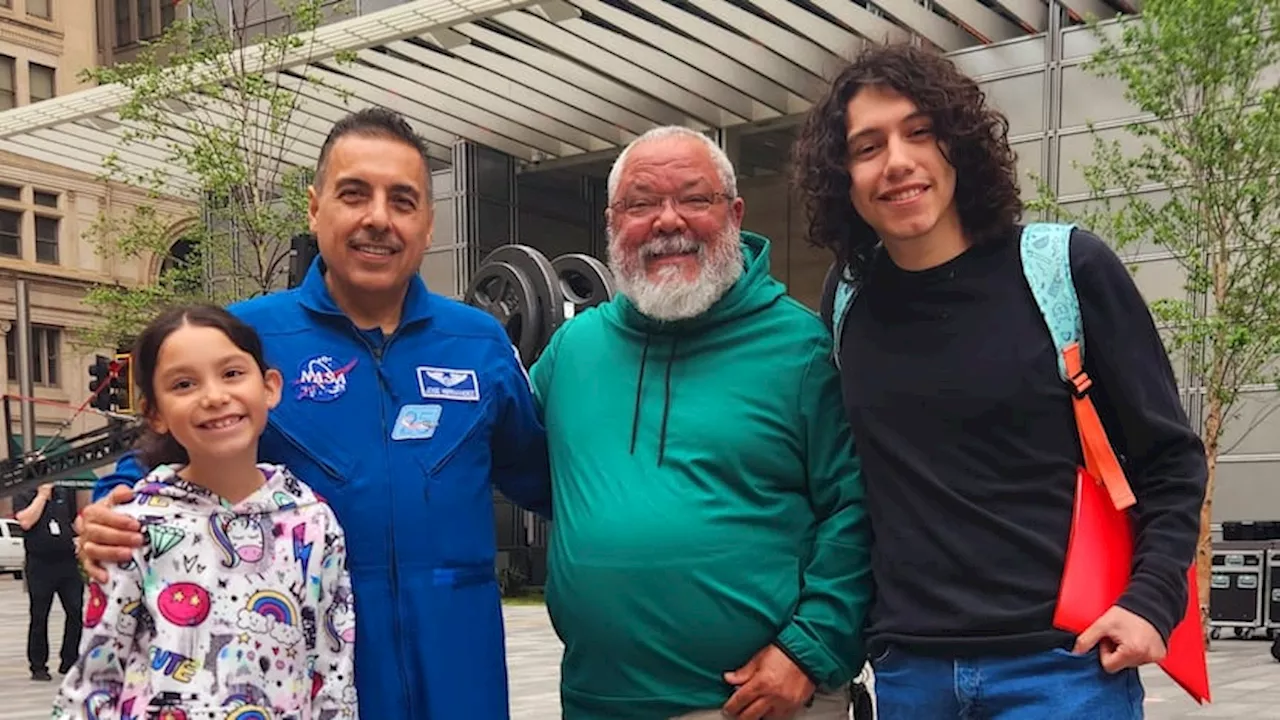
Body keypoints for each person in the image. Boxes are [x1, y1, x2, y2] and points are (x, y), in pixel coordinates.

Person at [75, 107, 551, 718]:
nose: (378, 219)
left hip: (461, 680)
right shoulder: (248, 337)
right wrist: (107, 508)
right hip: (306, 680)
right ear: (315, 208)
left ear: (428, 225)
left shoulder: (478, 344)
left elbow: (554, 483)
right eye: (354, 194)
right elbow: (160, 458)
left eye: (402, 201)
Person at [791, 43, 1208, 717]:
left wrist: (1151, 604)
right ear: (843, 177)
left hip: (1063, 671)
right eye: (867, 147)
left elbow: (1172, 457)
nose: (897, 161)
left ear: (958, 145)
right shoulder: (848, 299)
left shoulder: (1065, 269)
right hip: (909, 675)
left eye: (919, 133)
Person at [529, 125, 873, 720]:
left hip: (754, 703)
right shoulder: (573, 350)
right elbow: (500, 453)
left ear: (734, 213)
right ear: (613, 223)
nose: (668, 221)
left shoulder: (801, 350)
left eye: (694, 198)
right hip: (596, 702)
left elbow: (858, 508)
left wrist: (810, 650)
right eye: (642, 204)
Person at [53, 304, 357, 719]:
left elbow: (331, 669)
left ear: (269, 386)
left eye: (232, 374)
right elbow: (96, 676)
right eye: (183, 384)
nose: (214, 397)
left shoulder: (312, 523)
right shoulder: (134, 526)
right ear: (155, 413)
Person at [13, 481, 82, 682]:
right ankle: (38, 665)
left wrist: (82, 536)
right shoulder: (23, 494)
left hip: (67, 562)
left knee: (76, 611)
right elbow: (26, 522)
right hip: (40, 565)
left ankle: (69, 659)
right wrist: (42, 496)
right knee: (40, 615)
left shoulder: (64, 492)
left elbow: (73, 521)